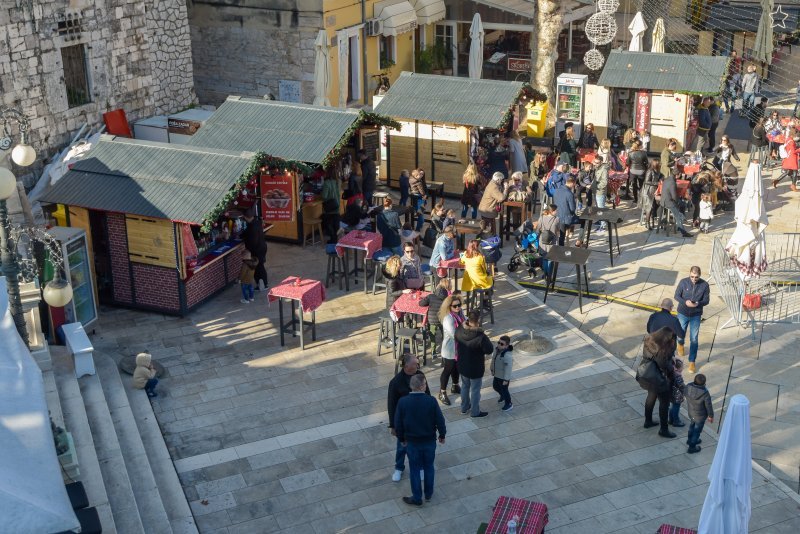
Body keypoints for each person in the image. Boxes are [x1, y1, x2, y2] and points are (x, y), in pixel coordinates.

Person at [394, 373, 446, 506]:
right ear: (422, 386)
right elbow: (439, 420)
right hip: (429, 441)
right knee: (429, 467)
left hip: (412, 443)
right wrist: (442, 435)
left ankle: (417, 497)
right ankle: (428, 494)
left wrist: (401, 438)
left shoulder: (403, 402)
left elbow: (398, 423)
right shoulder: (431, 401)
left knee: (415, 469)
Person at [388, 353, 430, 482]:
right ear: (406, 366)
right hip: (404, 422)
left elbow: (427, 395)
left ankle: (422, 467)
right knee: (402, 447)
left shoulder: (420, 375)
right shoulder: (396, 382)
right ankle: (399, 468)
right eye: (414, 363)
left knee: (421, 446)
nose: (417, 365)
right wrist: (393, 425)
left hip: (420, 420)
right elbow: (391, 405)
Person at [637, 327, 677, 438]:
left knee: (651, 397)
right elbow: (664, 365)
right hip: (659, 379)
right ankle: (664, 430)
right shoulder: (662, 350)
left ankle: (648, 421)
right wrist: (673, 366)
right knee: (664, 404)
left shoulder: (649, 341)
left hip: (648, 375)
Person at [454, 310, 494, 418]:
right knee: (475, 390)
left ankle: (464, 408)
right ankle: (475, 412)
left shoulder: (459, 329)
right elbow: (489, 350)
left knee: (465, 387)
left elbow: (456, 339)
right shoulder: (481, 336)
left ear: (468, 319)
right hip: (475, 368)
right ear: (479, 320)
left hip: (462, 365)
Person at [674, 266, 710, 373]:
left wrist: (698, 303)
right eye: (692, 276)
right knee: (680, 334)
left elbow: (706, 300)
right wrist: (685, 302)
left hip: (696, 315)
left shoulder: (704, 285)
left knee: (694, 338)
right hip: (683, 313)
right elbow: (676, 296)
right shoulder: (683, 282)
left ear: (700, 276)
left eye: (696, 277)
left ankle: (692, 361)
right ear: (689, 274)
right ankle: (680, 344)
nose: (694, 279)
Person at [437, 294, 464, 405]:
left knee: (456, 368)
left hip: (458, 348)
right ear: (449, 307)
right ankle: (442, 392)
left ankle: (455, 386)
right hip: (450, 349)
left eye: (459, 305)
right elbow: (454, 335)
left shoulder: (460, 314)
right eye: (455, 306)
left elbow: (466, 322)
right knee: (448, 370)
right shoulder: (448, 318)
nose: (458, 308)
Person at [419, 277, 450, 359]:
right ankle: (445, 349)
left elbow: (421, 304)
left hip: (432, 320)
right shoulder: (447, 298)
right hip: (442, 320)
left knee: (432, 335)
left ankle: (433, 352)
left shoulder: (431, 296)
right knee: (444, 334)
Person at [685, 373, 714, 454]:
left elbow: (684, 393)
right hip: (700, 416)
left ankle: (689, 440)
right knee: (697, 431)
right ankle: (692, 447)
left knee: (692, 426)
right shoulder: (705, 393)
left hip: (691, 413)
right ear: (704, 383)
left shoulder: (688, 387)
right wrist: (710, 416)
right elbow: (708, 405)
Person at [660, 169, 693, 238]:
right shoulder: (672, 183)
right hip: (668, 202)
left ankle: (680, 221)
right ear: (676, 175)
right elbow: (674, 197)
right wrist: (678, 202)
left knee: (683, 204)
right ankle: (683, 231)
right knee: (678, 216)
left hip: (663, 200)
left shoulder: (667, 179)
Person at [553, 176, 584, 247]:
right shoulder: (569, 194)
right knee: (584, 221)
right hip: (567, 219)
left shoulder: (556, 191)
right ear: (572, 183)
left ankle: (561, 247)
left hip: (558, 217)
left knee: (562, 235)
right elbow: (573, 209)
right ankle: (579, 240)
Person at [242, 208, 268, 290]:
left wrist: (248, 250)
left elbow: (252, 241)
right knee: (260, 266)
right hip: (262, 247)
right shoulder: (257, 222)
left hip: (256, 250)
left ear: (246, 217)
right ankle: (264, 283)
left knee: (258, 267)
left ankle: (262, 285)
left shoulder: (252, 227)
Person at [536, 204, 560, 277]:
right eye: (556, 210)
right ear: (552, 211)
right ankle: (549, 275)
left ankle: (545, 273)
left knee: (544, 258)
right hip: (552, 242)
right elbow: (558, 231)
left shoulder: (541, 217)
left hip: (542, 241)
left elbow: (537, 230)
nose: (557, 212)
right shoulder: (557, 219)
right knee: (551, 259)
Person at [490, 335, 513, 411]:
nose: (499, 344)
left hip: (503, 377)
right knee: (495, 386)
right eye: (499, 342)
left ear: (506, 346)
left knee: (505, 390)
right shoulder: (496, 350)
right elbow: (493, 360)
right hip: (497, 374)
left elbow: (508, 368)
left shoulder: (507, 355)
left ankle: (509, 403)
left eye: (502, 344)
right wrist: (492, 369)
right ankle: (502, 396)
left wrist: (506, 380)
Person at [641, 159, 662, 229]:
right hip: (649, 191)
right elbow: (646, 181)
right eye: (659, 164)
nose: (660, 164)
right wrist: (657, 183)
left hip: (656, 191)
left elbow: (661, 176)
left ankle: (653, 218)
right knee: (649, 207)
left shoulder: (658, 171)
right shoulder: (650, 171)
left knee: (658, 203)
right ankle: (647, 223)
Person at [321, 171, 341, 244]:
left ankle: (333, 241)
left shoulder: (327, 183)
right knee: (336, 226)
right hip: (337, 206)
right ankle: (337, 240)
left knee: (330, 225)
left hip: (330, 208)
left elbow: (324, 196)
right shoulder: (337, 181)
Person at [668, 358, 687, 427]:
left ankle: (670, 420)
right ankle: (676, 421)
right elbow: (681, 386)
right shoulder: (678, 376)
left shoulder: (671, 373)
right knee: (676, 408)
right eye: (682, 367)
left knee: (671, 407)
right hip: (676, 396)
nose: (683, 368)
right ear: (678, 368)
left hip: (670, 394)